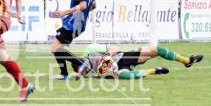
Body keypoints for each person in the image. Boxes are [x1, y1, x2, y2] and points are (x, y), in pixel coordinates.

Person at [50, 0, 96, 80]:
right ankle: (64, 73)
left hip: (74, 22)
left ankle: (80, 64)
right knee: (57, 47)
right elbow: (93, 5)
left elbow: (83, 6)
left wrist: (64, 12)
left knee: (55, 47)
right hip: (80, 22)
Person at [75, 43, 204, 79]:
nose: (86, 68)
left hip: (123, 57)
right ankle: (153, 71)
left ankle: (186, 60)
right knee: (121, 74)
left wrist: (107, 56)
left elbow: (115, 48)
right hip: (117, 70)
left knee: (154, 50)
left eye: (84, 65)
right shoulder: (88, 74)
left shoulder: (90, 49)